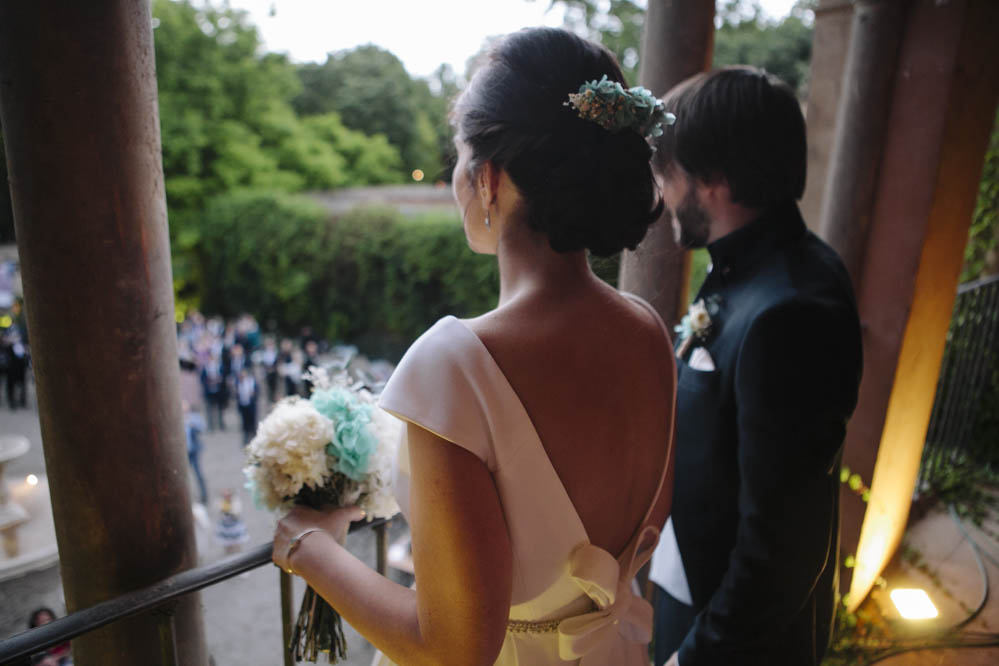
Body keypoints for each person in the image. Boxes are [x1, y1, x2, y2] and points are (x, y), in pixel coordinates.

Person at [271, 27, 677, 665]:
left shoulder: (456, 366)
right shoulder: (647, 331)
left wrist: (306, 547)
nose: (454, 178)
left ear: (489, 179)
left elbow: (455, 649)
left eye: (458, 158)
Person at [647, 67, 864, 666]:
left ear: (715, 177)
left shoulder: (792, 309)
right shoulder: (746, 268)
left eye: (667, 170)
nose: (660, 189)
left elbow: (781, 550)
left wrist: (693, 658)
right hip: (691, 588)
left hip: (736, 640)